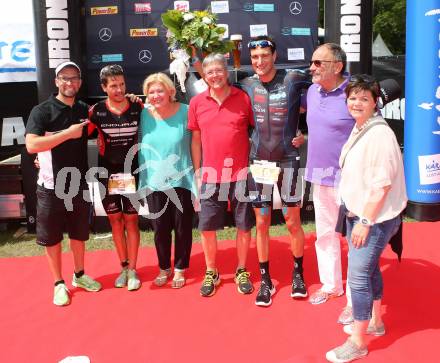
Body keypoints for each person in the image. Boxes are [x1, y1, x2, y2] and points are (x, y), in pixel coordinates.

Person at [325, 75, 407, 362]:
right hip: (358, 213)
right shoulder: (362, 127)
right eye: (353, 97)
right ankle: (375, 322)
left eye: (364, 98)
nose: (356, 103)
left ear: (375, 102)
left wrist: (365, 221)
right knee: (369, 271)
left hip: (373, 219)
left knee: (358, 277)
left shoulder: (379, 134)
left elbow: (382, 185)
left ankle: (357, 341)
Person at [240, 36, 309, 307]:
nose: (259, 61)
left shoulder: (293, 78)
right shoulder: (246, 82)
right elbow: (210, 84)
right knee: (262, 223)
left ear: (275, 55)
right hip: (260, 163)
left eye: (264, 55)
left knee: (292, 222)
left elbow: (325, 87)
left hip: (289, 160)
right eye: (255, 57)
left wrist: (305, 130)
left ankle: (298, 274)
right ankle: (265, 280)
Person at [25, 61, 101, 306]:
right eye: (65, 78)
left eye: (74, 78)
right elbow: (32, 146)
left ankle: (79, 275)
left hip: (78, 184)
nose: (70, 82)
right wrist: (68, 133)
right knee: (53, 238)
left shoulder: (83, 109)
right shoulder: (42, 111)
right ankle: (59, 283)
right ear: (57, 81)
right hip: (49, 187)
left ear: (79, 82)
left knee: (79, 234)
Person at [188, 53, 255, 297]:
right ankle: (212, 270)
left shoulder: (243, 99)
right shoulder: (197, 103)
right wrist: (198, 171)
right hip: (210, 176)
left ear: (226, 72)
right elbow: (195, 141)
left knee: (244, 225)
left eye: (218, 70)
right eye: (209, 72)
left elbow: (257, 130)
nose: (214, 75)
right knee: (206, 227)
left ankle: (241, 269)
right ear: (203, 76)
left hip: (240, 174)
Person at [305, 43, 354, 323]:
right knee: (325, 234)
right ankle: (331, 285)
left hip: (348, 180)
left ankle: (354, 299)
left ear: (337, 66)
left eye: (318, 63)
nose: (312, 67)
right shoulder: (312, 91)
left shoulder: (353, 94)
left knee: (354, 240)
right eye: (312, 62)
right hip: (319, 177)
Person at [88, 64, 143, 291]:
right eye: (113, 86)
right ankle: (123, 267)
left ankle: (133, 270)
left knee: (131, 220)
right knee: (115, 221)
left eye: (121, 84)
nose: (119, 89)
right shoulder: (96, 111)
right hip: (106, 174)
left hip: (131, 173)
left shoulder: (138, 107)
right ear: (104, 87)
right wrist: (43, 158)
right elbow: (76, 137)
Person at [138, 73, 195, 289]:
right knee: (160, 228)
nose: (155, 95)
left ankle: (180, 268)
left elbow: (198, 143)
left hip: (182, 181)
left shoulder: (186, 111)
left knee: (182, 228)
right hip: (154, 182)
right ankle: (164, 267)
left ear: (171, 91)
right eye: (151, 92)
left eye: (160, 90)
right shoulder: (143, 114)